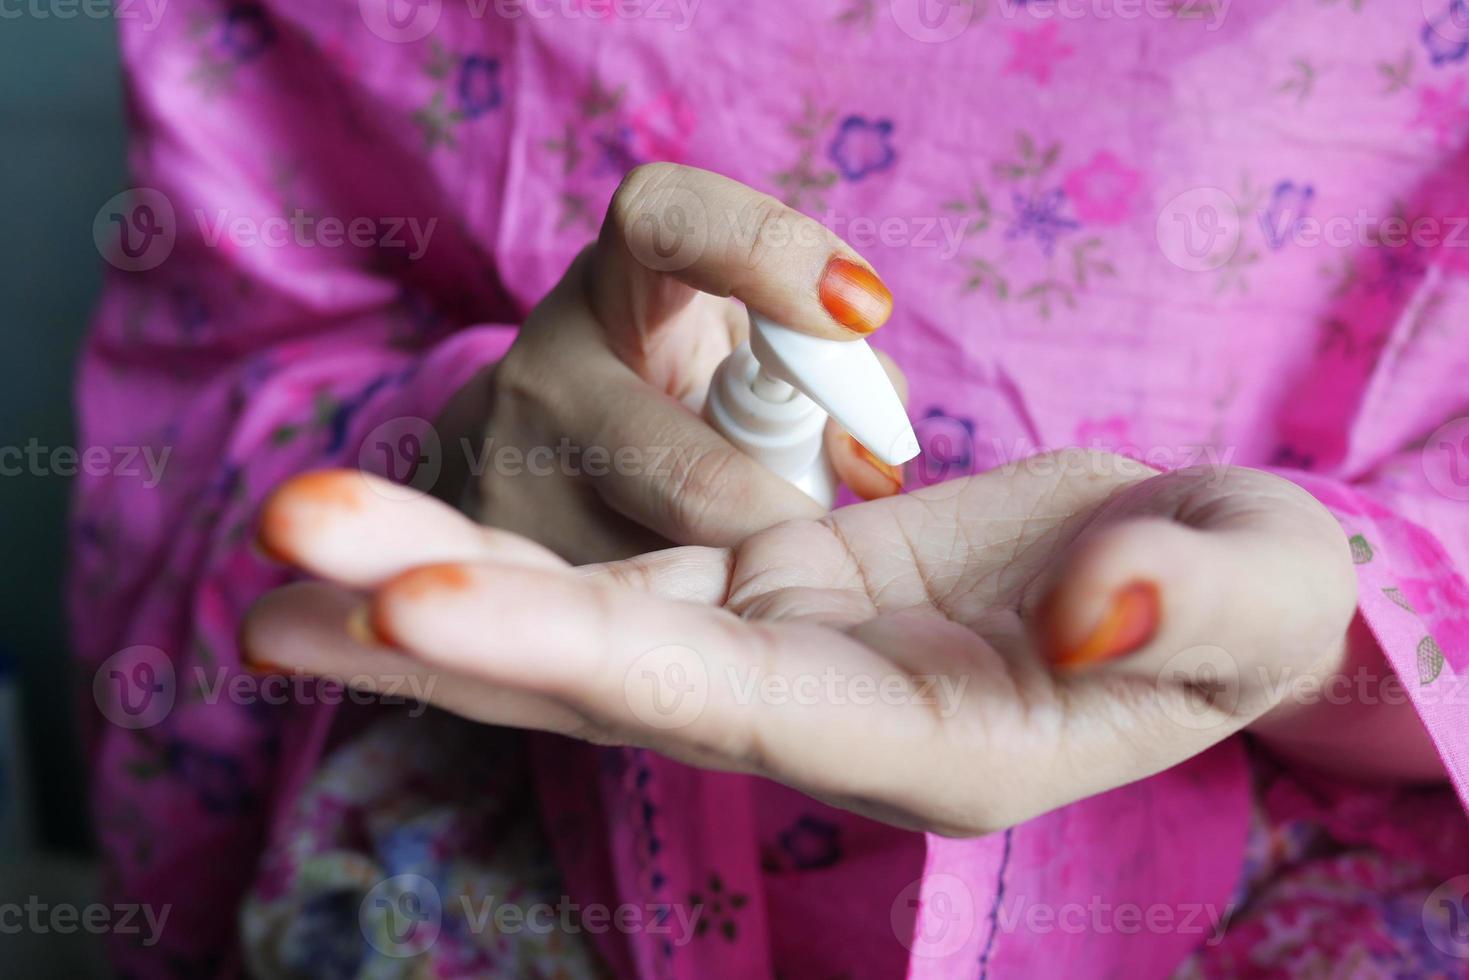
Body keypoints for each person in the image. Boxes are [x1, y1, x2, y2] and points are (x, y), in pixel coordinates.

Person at [76, 1, 1469, 976]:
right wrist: (462, 444)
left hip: (1293, 902)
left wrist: (1329, 627)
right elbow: (226, 360)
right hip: (513, 872)